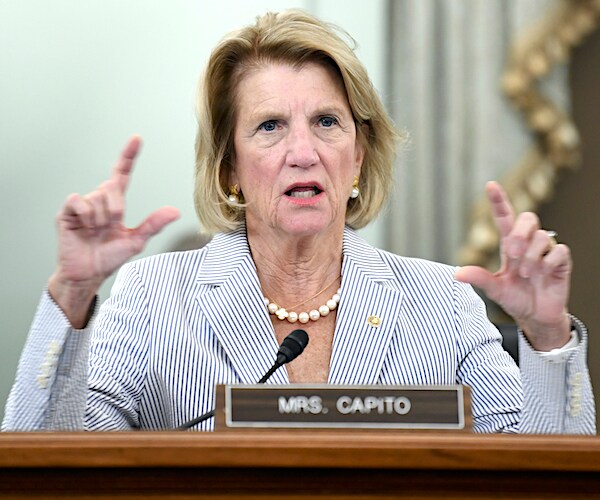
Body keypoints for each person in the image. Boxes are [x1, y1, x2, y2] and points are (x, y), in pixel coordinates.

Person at [2, 9, 595, 433]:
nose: (303, 152)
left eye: (327, 122)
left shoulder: (443, 305)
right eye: (269, 126)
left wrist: (546, 340)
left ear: (359, 154)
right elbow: (51, 466)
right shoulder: (153, 298)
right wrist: (73, 292)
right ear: (229, 167)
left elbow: (542, 480)